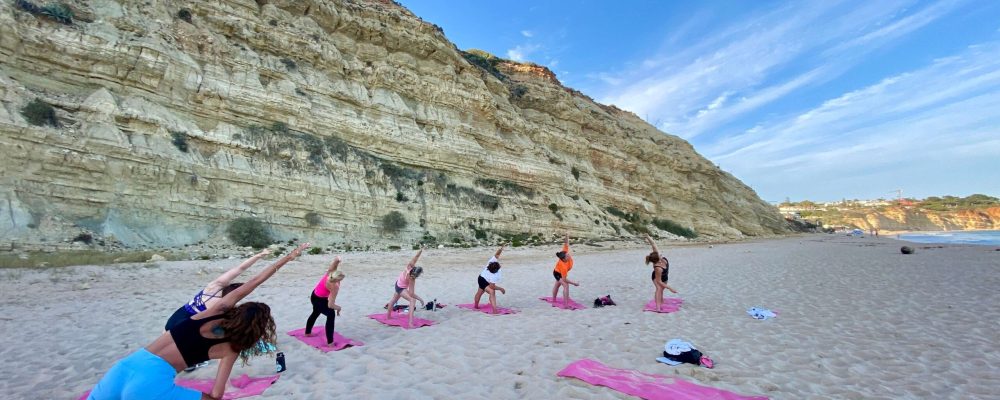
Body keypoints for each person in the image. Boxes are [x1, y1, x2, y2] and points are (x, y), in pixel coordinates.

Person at [86, 243, 310, 400]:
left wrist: (288, 258)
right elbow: (217, 393)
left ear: (238, 309)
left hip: (124, 367)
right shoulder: (231, 349)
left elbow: (254, 281)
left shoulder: (216, 310)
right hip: (150, 385)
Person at [164, 249, 272, 331]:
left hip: (177, 316)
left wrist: (258, 255)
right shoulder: (223, 305)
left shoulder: (214, 287)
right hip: (186, 325)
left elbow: (239, 269)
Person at [304, 256, 345, 346]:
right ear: (337, 280)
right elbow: (330, 305)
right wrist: (339, 308)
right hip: (319, 300)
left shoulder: (329, 274)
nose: (342, 279)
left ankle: (307, 332)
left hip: (314, 295)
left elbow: (333, 266)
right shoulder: (334, 287)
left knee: (316, 312)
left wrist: (337, 260)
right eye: (341, 279)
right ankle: (330, 342)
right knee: (331, 314)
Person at [384, 247, 426, 327]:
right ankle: (410, 323)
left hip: (397, 283)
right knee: (412, 301)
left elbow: (416, 257)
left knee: (393, 300)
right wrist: (420, 299)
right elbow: (411, 294)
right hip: (401, 288)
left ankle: (388, 317)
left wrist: (421, 250)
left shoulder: (409, 266)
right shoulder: (412, 279)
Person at [644, 234, 678, 311]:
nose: (661, 254)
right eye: (660, 255)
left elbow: (653, 244)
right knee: (659, 289)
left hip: (665, 276)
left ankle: (661, 301)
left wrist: (648, 237)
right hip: (657, 277)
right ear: (657, 260)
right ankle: (658, 307)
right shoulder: (657, 268)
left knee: (662, 289)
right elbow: (659, 281)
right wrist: (670, 288)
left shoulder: (657, 255)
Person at [473, 244, 507, 314]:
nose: (500, 265)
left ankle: (476, 306)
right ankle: (494, 310)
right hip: (484, 281)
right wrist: (501, 289)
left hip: (480, 277)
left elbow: (497, 255)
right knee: (492, 292)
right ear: (496, 270)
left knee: (480, 292)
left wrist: (501, 248)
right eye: (499, 265)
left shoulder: (491, 262)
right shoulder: (494, 275)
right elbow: (492, 286)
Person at [551, 233, 580, 306]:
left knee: (559, 285)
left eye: (568, 254)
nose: (569, 255)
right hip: (557, 273)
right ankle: (565, 305)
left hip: (561, 272)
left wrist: (567, 236)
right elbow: (564, 279)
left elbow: (566, 243)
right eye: (567, 256)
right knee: (565, 285)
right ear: (564, 259)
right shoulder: (563, 266)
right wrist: (574, 283)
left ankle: (558, 300)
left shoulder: (564, 252)